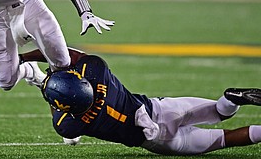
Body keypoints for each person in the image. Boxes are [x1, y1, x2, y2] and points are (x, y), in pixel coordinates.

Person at [36, 49, 261, 156]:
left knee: (225, 139)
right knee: (219, 111)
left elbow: (58, 110)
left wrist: (47, 85)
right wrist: (39, 59)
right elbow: (70, 54)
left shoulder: (67, 124)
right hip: (161, 108)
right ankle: (231, 98)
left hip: (157, 139)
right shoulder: (97, 70)